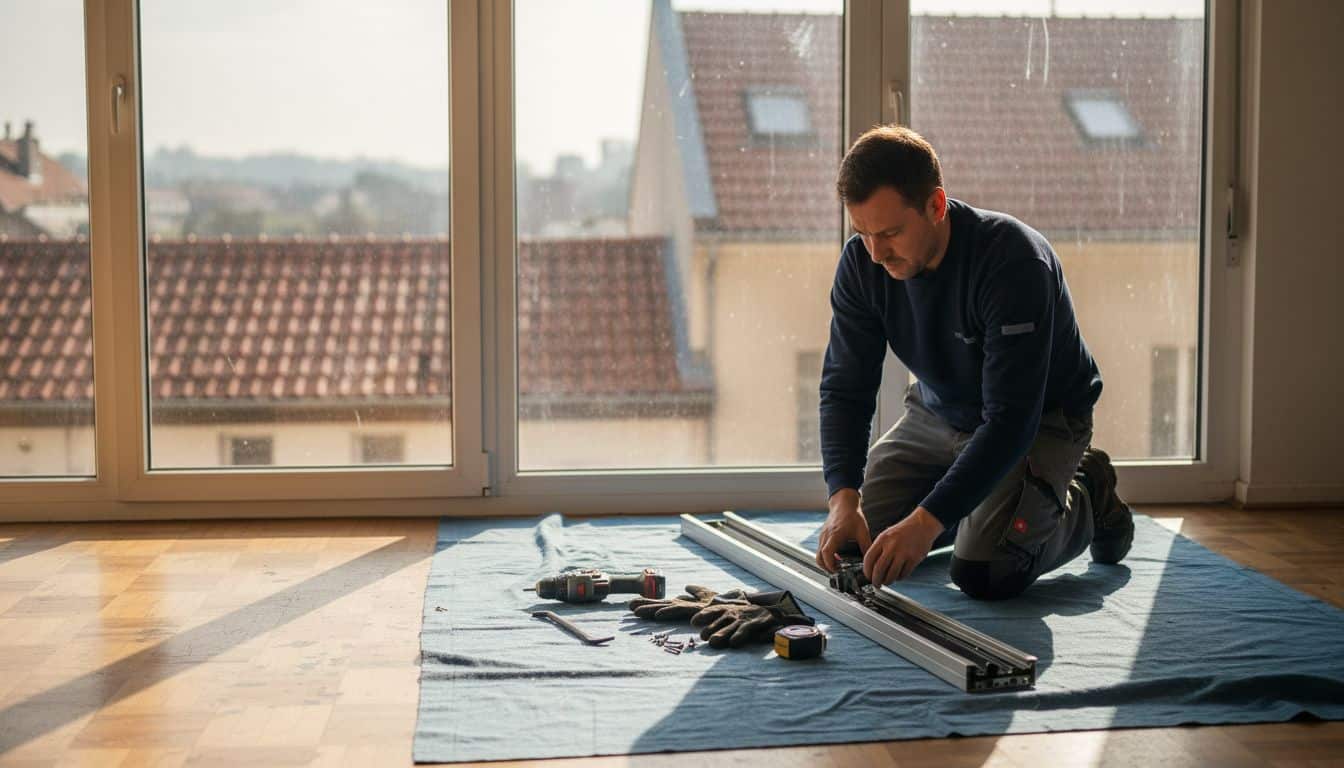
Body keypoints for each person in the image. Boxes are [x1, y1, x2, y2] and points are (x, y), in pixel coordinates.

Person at [814, 125, 1135, 600]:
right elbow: (845, 387)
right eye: (862, 234)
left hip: (1039, 420)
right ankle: (980, 508)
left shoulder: (1014, 263)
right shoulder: (862, 264)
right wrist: (843, 498)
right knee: (856, 547)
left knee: (986, 570)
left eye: (891, 233)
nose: (877, 254)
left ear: (936, 206)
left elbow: (1010, 422)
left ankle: (1088, 491)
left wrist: (925, 524)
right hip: (937, 412)